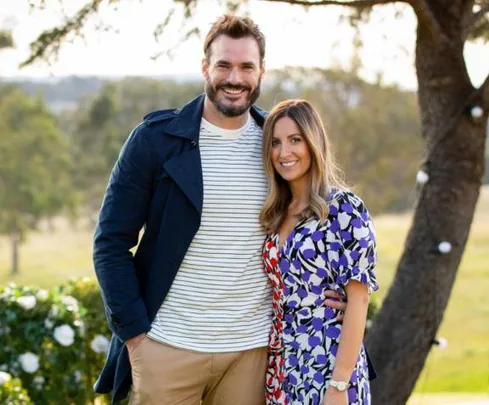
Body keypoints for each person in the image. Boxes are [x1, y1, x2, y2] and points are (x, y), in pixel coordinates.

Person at [93, 15, 348, 405]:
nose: (235, 78)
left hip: (252, 353)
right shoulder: (155, 141)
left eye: (246, 66)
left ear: (261, 70)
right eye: (223, 65)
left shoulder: (277, 145)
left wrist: (342, 291)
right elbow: (110, 242)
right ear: (205, 68)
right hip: (166, 346)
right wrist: (135, 334)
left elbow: (317, 224)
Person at [260, 99, 379, 405]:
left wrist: (339, 385)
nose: (284, 153)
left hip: (328, 362)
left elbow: (359, 298)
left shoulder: (344, 209)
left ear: (313, 142)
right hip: (282, 366)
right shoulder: (276, 213)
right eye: (275, 142)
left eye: (295, 140)